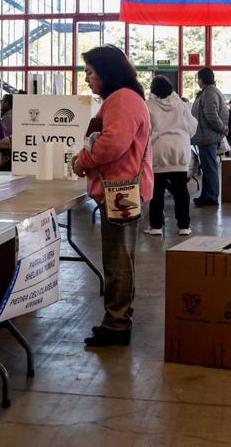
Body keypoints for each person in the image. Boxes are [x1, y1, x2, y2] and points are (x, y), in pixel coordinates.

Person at [71, 46, 152, 347]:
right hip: (122, 190)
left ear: (106, 73)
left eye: (90, 73)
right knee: (120, 258)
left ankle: (117, 323)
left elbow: (111, 144)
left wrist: (84, 161)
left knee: (118, 260)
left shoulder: (122, 100)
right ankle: (117, 319)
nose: (88, 79)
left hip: (120, 191)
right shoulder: (126, 98)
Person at [146, 75, 196, 237]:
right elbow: (192, 126)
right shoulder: (180, 104)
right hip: (179, 149)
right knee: (181, 190)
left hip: (159, 149)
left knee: (157, 191)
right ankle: (184, 226)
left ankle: (156, 226)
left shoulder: (149, 105)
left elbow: (145, 129)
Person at [190, 68, 227, 207]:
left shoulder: (209, 93)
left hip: (208, 137)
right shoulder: (209, 91)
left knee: (210, 167)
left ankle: (211, 196)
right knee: (207, 167)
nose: (197, 82)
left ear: (202, 79)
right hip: (206, 136)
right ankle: (206, 195)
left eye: (198, 79)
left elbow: (212, 117)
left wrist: (223, 129)